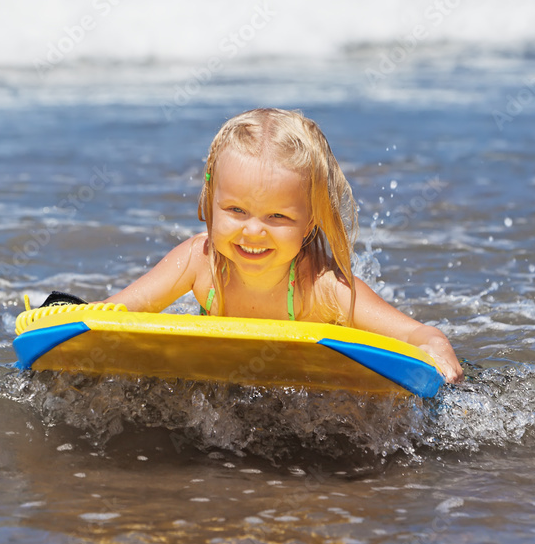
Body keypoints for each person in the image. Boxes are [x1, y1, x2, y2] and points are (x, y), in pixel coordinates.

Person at [103, 108, 463, 383]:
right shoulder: (199, 262)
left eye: (277, 217)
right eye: (236, 210)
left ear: (310, 221)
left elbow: (416, 334)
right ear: (211, 198)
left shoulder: (323, 289)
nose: (254, 232)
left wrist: (434, 346)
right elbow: (115, 312)